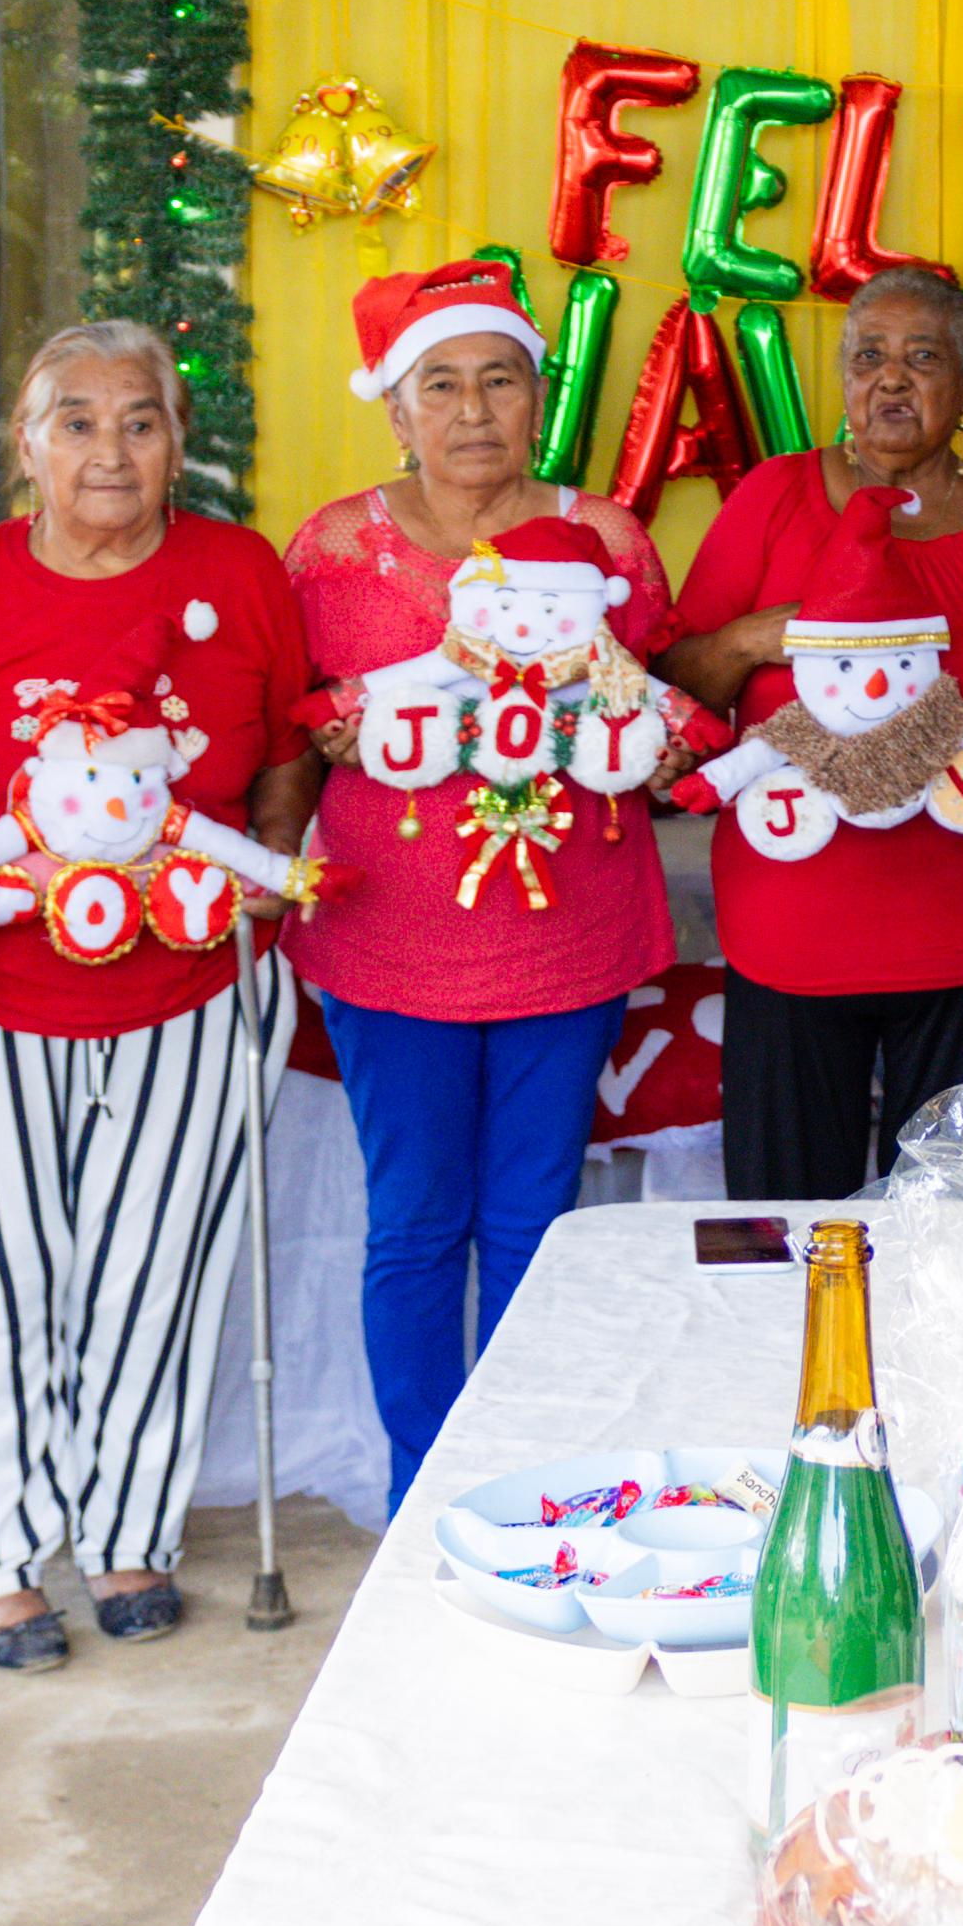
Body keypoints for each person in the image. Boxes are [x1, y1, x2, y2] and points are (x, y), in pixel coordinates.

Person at [0, 324, 317, 1670]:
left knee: (157, 1270)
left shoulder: (238, 570)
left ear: (177, 440)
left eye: (140, 421)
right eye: (77, 421)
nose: (110, 450)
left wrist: (272, 863)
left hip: (192, 982)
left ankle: (127, 1535)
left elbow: (285, 751)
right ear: (26, 443)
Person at [285, 261, 678, 1504]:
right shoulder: (334, 547)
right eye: (439, 384)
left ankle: (516, 1478)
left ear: (536, 398)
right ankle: (421, 1487)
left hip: (568, 936)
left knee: (531, 1217)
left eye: (497, 380)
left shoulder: (609, 540)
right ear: (395, 408)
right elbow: (286, 714)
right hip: (387, 934)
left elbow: (656, 711)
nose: (471, 410)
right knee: (413, 1222)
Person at [663, 267, 963, 1198]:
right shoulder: (775, 496)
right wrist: (756, 639)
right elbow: (679, 682)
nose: (891, 379)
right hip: (790, 932)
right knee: (790, 1225)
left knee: (951, 1227)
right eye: (868, 356)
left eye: (922, 358)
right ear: (843, 380)